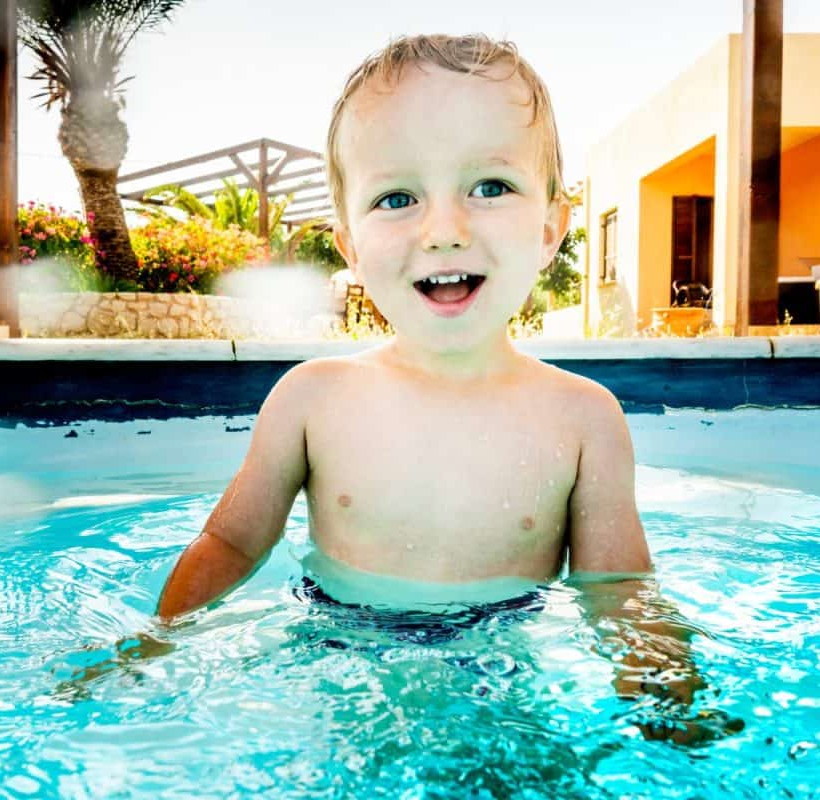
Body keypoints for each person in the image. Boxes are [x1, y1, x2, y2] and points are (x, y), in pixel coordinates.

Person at [153, 34, 738, 744]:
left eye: (490, 187)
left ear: (552, 227)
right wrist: (155, 646)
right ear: (350, 246)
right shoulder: (312, 400)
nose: (443, 231)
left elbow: (617, 588)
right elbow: (229, 545)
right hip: (344, 656)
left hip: (502, 666)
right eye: (398, 197)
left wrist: (664, 695)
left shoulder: (585, 419)